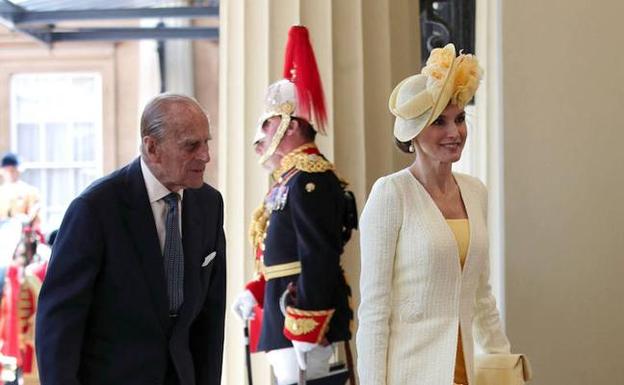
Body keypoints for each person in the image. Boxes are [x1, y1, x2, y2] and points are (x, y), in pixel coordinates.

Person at [35, 94, 226, 385]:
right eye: (191, 145)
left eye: (206, 142)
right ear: (152, 148)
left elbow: (210, 319)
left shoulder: (209, 204)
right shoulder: (95, 209)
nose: (205, 155)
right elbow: (59, 323)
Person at [356, 44, 512, 385]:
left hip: (465, 371)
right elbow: (374, 310)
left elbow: (481, 294)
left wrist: (504, 363)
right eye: (439, 122)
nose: (454, 132)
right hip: (410, 373)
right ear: (413, 132)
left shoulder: (475, 191)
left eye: (459, 119)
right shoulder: (390, 194)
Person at [231, 25, 355, 385]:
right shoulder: (288, 180)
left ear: (290, 128)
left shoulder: (310, 179)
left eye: (268, 125)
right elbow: (280, 252)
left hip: (303, 311)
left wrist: (308, 322)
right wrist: (256, 291)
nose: (262, 137)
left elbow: (317, 254)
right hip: (282, 306)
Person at [0, 153, 40, 226]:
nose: (10, 173)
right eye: (7, 170)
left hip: (22, 233)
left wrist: (25, 219)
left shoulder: (30, 191)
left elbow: (34, 216)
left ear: (19, 170)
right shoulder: (1, 191)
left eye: (13, 170)